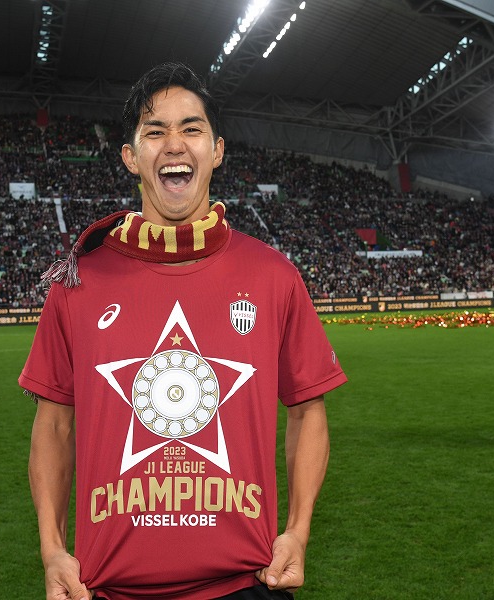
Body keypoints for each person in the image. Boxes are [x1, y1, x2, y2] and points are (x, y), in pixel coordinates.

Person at [19, 62, 347, 600]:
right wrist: (52, 549)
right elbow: (53, 425)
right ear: (131, 157)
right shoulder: (78, 282)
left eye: (191, 129)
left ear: (216, 150)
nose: (174, 144)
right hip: (110, 590)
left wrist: (298, 530)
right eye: (155, 131)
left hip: (246, 585)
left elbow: (309, 410)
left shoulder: (273, 275)